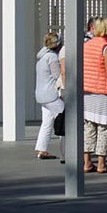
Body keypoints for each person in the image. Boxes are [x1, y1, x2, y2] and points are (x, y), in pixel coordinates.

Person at [80, 17, 107, 173]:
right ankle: (102, 164)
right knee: (105, 129)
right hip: (104, 93)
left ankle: (87, 162)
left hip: (87, 92)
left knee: (88, 128)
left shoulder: (86, 45)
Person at [33, 31, 64, 160]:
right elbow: (58, 75)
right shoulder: (52, 57)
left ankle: (42, 150)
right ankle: (67, 152)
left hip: (41, 95)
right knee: (66, 120)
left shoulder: (41, 57)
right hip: (51, 95)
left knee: (47, 122)